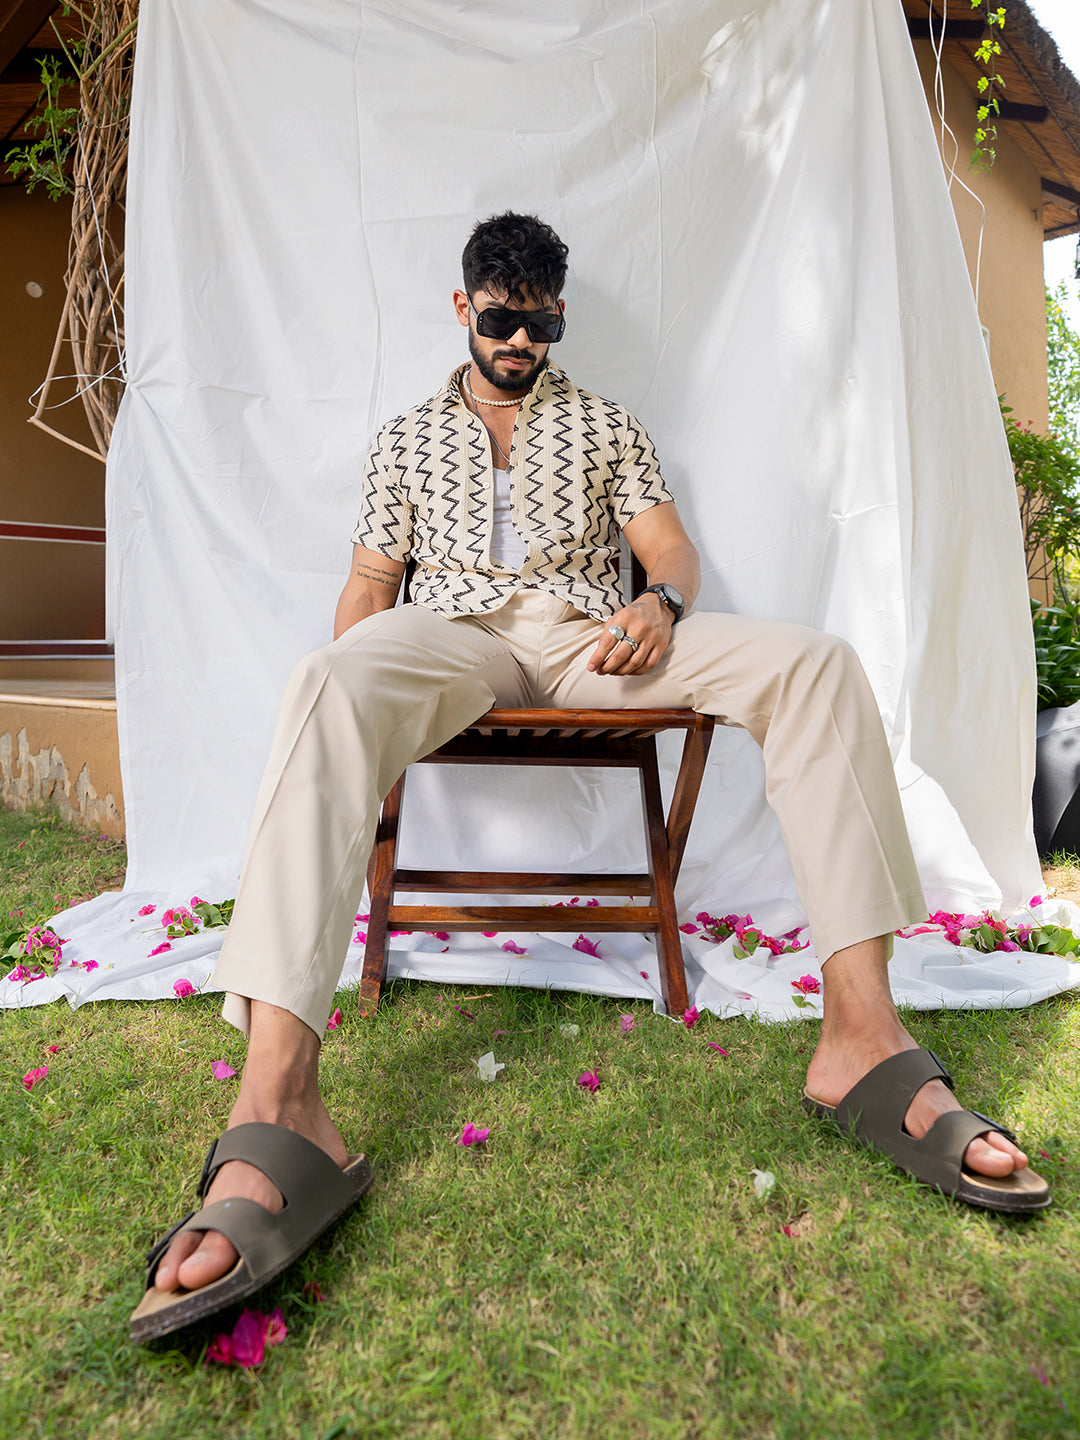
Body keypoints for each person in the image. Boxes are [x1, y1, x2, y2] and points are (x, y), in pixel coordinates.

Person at [130, 212, 1048, 1341]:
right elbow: (371, 585)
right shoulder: (407, 438)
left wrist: (658, 605)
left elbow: (669, 550)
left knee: (817, 665)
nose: (522, 338)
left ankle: (861, 1033)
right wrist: (357, 699)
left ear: (560, 316)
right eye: (503, 317)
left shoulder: (607, 422)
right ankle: (280, 1098)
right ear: (464, 310)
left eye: (542, 320)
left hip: (589, 642)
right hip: (454, 636)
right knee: (326, 678)